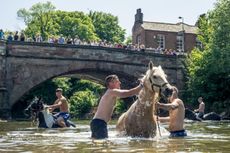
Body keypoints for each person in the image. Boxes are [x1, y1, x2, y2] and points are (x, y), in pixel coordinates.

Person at [90, 74, 143, 139]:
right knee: (103, 145)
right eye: (117, 81)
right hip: (100, 123)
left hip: (96, 122)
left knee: (98, 145)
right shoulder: (112, 91)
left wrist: (139, 91)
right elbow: (128, 93)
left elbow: (132, 93)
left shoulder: (110, 93)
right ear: (111, 83)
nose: (120, 83)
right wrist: (141, 86)